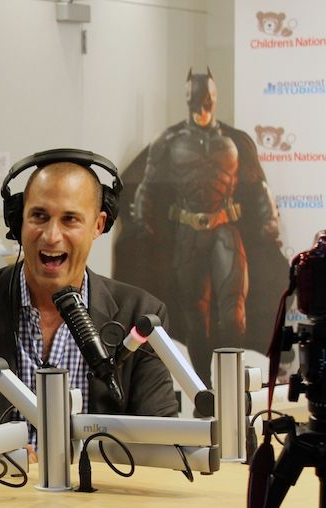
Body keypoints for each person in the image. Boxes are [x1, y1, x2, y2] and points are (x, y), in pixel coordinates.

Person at [0, 150, 177, 450]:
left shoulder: (140, 317)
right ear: (18, 220)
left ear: (98, 226)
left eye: (70, 219)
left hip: (99, 493)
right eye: (39, 216)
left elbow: (162, 446)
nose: (51, 236)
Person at [125, 68, 287, 386]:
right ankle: (203, 385)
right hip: (188, 233)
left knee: (233, 311)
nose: (202, 103)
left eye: (207, 96)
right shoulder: (169, 141)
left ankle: (233, 383)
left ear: (215, 96)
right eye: (196, 96)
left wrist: (269, 220)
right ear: (187, 97)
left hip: (226, 230)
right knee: (195, 315)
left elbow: (259, 187)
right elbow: (148, 186)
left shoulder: (236, 141)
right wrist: (142, 224)